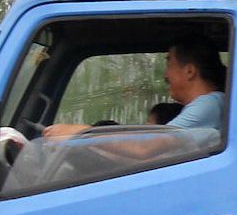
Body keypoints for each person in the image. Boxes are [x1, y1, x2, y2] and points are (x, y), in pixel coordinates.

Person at [45, 36, 225, 139]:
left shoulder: (210, 104)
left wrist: (83, 133)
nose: (165, 75)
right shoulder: (211, 105)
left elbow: (148, 147)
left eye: (169, 64)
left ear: (190, 71)